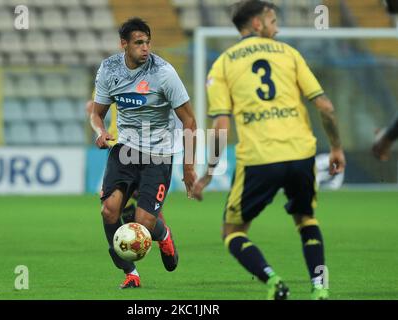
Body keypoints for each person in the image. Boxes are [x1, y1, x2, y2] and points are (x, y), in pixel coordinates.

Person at [192, 0, 345, 300]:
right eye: (273, 21)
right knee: (306, 219)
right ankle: (320, 288)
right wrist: (337, 147)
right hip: (301, 154)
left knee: (232, 232)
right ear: (257, 24)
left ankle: (273, 281)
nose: (277, 28)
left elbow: (221, 126)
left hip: (259, 159)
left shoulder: (222, 64)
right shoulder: (290, 54)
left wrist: (208, 174)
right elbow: (325, 107)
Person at [90, 17, 197, 289]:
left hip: (159, 153)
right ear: (123, 44)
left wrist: (188, 168)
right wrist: (99, 133)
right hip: (125, 149)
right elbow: (96, 114)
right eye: (139, 43)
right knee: (109, 211)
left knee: (144, 223)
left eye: (148, 42)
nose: (145, 48)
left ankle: (164, 234)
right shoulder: (109, 70)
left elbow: (190, 122)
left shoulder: (164, 73)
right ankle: (130, 273)